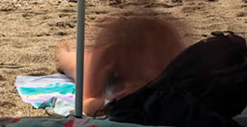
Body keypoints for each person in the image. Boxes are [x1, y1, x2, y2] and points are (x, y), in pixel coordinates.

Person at [54, 12, 188, 115]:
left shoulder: (167, 51)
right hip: (103, 77)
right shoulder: (107, 58)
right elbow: (85, 103)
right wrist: (106, 102)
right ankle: (62, 53)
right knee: (76, 65)